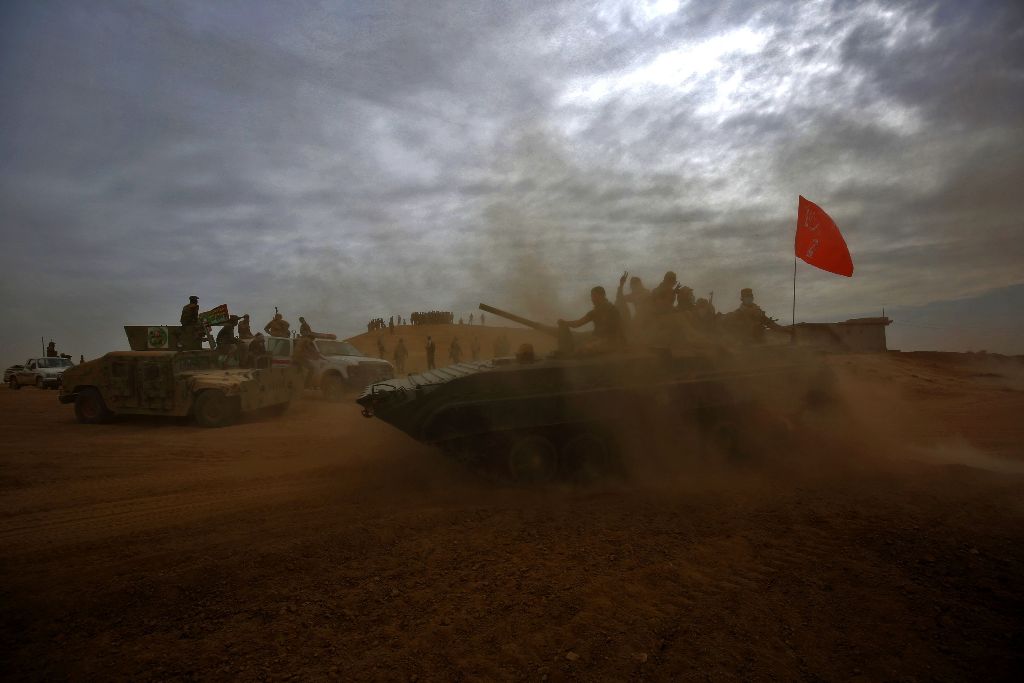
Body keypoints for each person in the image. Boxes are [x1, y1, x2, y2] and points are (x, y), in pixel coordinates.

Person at [558, 286, 625, 353]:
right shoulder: (594, 312)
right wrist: (565, 323)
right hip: (599, 339)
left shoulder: (612, 310)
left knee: (582, 348)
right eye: (592, 296)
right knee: (580, 342)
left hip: (608, 342)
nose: (592, 299)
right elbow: (578, 323)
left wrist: (621, 345)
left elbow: (619, 329)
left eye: (594, 296)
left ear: (602, 296)